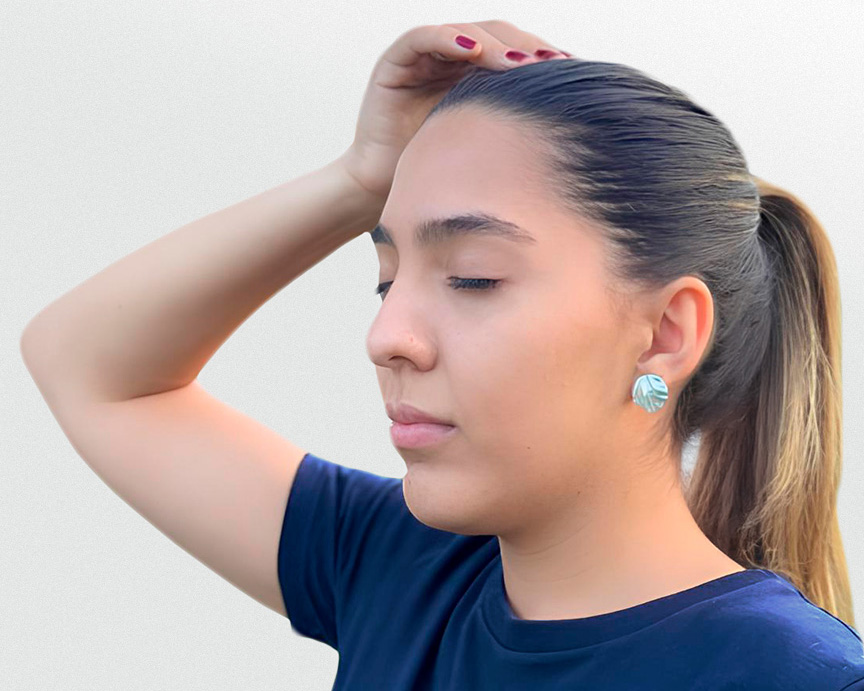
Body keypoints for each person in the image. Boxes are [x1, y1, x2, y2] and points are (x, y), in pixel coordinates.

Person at [21, 19, 864, 690]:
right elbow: (88, 366)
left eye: (471, 278)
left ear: (664, 334)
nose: (388, 337)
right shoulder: (398, 569)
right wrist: (360, 178)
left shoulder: (795, 675)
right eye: (386, 280)